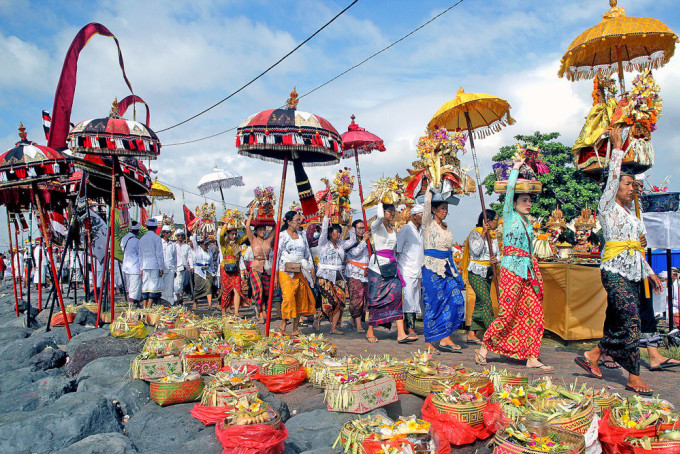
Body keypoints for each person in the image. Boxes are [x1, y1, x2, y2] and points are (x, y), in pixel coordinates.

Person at [575, 127, 664, 395]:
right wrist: (616, 150)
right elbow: (613, 177)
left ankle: (593, 355)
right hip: (613, 271)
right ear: (614, 189)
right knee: (631, 321)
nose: (631, 188)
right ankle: (634, 376)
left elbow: (636, 249)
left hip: (633, 273)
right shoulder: (608, 206)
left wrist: (650, 272)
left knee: (618, 322)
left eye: (633, 185)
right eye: (628, 184)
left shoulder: (632, 215)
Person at [476, 157, 553, 371]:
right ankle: (485, 346)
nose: (529, 204)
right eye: (525, 200)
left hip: (528, 270)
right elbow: (510, 191)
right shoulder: (509, 217)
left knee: (535, 313)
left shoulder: (529, 222)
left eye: (530, 200)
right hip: (511, 269)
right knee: (508, 313)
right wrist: (516, 169)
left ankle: (532, 356)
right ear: (515, 203)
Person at [421, 188, 465, 353]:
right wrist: (430, 187)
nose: (445, 211)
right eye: (442, 208)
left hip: (447, 268)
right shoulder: (428, 224)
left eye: (447, 209)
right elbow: (426, 205)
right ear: (434, 210)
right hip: (431, 268)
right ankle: (428, 342)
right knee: (433, 304)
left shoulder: (446, 227)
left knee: (456, 300)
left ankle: (445, 337)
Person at [365, 203, 413, 344]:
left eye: (394, 211)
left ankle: (401, 333)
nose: (392, 214)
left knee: (397, 296)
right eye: (389, 211)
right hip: (377, 267)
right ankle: (370, 330)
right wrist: (380, 201)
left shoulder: (392, 229)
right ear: (383, 211)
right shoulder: (376, 226)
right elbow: (379, 216)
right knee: (375, 299)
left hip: (391, 267)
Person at [461, 209, 500, 344]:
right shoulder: (475, 234)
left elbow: (497, 253)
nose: (498, 222)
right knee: (486, 302)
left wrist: (496, 260)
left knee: (479, 304)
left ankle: (472, 333)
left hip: (488, 272)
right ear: (487, 221)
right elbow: (476, 251)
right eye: (496, 220)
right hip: (476, 272)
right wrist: (483, 234)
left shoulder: (494, 236)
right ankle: (494, 333)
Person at [277, 211, 316, 336]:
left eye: (300, 220)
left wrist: (311, 269)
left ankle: (295, 329)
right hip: (285, 270)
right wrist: (275, 276)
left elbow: (307, 253)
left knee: (300, 298)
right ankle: (283, 325)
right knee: (288, 297)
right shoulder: (282, 235)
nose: (300, 222)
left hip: (300, 269)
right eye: (297, 220)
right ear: (289, 222)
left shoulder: (302, 235)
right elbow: (277, 255)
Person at [314, 203, 348, 334]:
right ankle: (318, 317)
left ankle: (333, 328)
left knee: (340, 301)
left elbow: (351, 241)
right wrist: (327, 215)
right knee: (330, 301)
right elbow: (323, 231)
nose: (339, 234)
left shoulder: (341, 245)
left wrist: (349, 224)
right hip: (325, 276)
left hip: (339, 276)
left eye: (340, 231)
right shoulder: (323, 243)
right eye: (336, 231)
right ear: (330, 233)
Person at [396, 204, 424, 338]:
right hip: (405, 269)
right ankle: (409, 328)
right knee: (407, 299)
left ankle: (410, 327)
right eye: (421, 215)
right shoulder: (406, 229)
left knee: (414, 299)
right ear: (414, 216)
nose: (423, 218)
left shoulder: (421, 231)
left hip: (417, 270)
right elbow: (398, 249)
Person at [245, 206, 275, 323]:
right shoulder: (253, 240)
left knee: (267, 291)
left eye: (264, 229)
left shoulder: (268, 240)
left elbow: (275, 227)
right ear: (256, 231)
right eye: (260, 230)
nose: (263, 231)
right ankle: (259, 311)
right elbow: (247, 227)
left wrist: (270, 213)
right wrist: (251, 214)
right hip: (255, 267)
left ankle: (264, 310)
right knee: (259, 289)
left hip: (267, 267)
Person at [342, 219, 370, 332]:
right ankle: (358, 325)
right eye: (359, 228)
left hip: (366, 273)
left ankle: (353, 320)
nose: (362, 230)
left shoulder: (367, 241)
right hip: (354, 273)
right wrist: (363, 241)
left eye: (363, 228)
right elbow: (354, 253)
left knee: (365, 298)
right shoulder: (349, 241)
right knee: (356, 298)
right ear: (354, 229)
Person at [219, 223, 249, 316]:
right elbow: (220, 235)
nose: (234, 236)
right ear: (227, 234)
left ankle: (236, 312)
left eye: (235, 234)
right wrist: (225, 225)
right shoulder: (224, 243)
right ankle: (223, 310)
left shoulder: (237, 242)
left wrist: (243, 226)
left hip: (235, 269)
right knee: (226, 290)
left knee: (237, 289)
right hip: (225, 268)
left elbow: (247, 235)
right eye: (232, 234)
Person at [138, 218, 166, 309]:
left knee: (145, 285)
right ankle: (149, 306)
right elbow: (159, 254)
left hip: (145, 264)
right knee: (153, 286)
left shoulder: (142, 239)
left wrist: (141, 268)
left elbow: (140, 254)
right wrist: (161, 267)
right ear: (156, 227)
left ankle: (145, 305)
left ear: (147, 227)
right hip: (154, 264)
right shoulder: (156, 238)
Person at [121, 222, 142, 306]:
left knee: (130, 288)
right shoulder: (136, 241)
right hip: (135, 267)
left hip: (126, 267)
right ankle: (131, 307)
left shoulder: (124, 239)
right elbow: (140, 254)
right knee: (134, 288)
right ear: (137, 230)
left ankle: (134, 304)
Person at [191, 236, 214, 310]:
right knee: (197, 288)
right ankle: (195, 303)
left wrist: (213, 272)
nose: (206, 245)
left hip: (208, 271)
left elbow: (211, 262)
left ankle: (210, 305)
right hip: (199, 271)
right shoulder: (197, 249)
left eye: (207, 244)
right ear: (201, 244)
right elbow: (193, 239)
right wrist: (195, 230)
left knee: (209, 287)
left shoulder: (209, 251)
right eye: (205, 244)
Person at [174, 230, 193, 304]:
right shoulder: (173, 245)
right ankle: (177, 297)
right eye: (179, 235)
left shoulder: (186, 246)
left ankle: (179, 296)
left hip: (184, 267)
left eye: (182, 235)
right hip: (176, 267)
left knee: (182, 283)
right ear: (176, 236)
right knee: (177, 283)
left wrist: (191, 266)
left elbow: (190, 257)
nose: (180, 237)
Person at [160, 225, 177, 304]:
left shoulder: (172, 244)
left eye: (170, 232)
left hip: (170, 268)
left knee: (170, 287)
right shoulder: (159, 242)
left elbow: (174, 258)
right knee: (161, 286)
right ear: (163, 233)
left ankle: (169, 303)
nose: (169, 234)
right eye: (167, 233)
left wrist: (175, 269)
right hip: (162, 269)